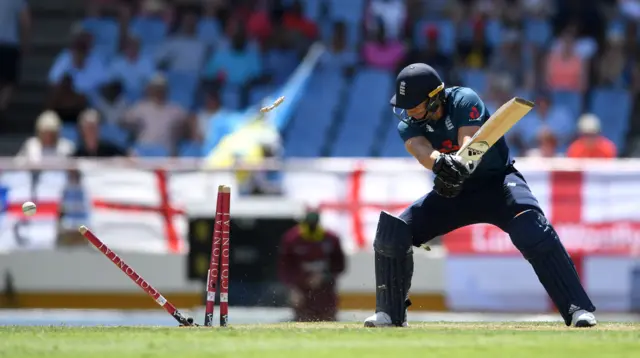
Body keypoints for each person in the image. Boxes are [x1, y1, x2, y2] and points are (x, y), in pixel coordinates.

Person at [364, 63, 597, 328]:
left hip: (497, 183)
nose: (408, 112)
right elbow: (420, 150)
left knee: (532, 229)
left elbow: (471, 143)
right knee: (395, 231)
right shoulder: (409, 125)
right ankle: (390, 315)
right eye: (405, 106)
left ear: (434, 98)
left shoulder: (464, 99)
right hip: (454, 191)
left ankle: (577, 308)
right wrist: (440, 164)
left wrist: (459, 162)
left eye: (414, 105)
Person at [278, 210, 346, 322]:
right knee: (302, 320)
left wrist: (324, 276)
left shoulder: (331, 239)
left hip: (325, 291)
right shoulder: (291, 239)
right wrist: (293, 289)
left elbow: (339, 266)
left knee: (328, 318)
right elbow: (285, 267)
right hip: (301, 290)